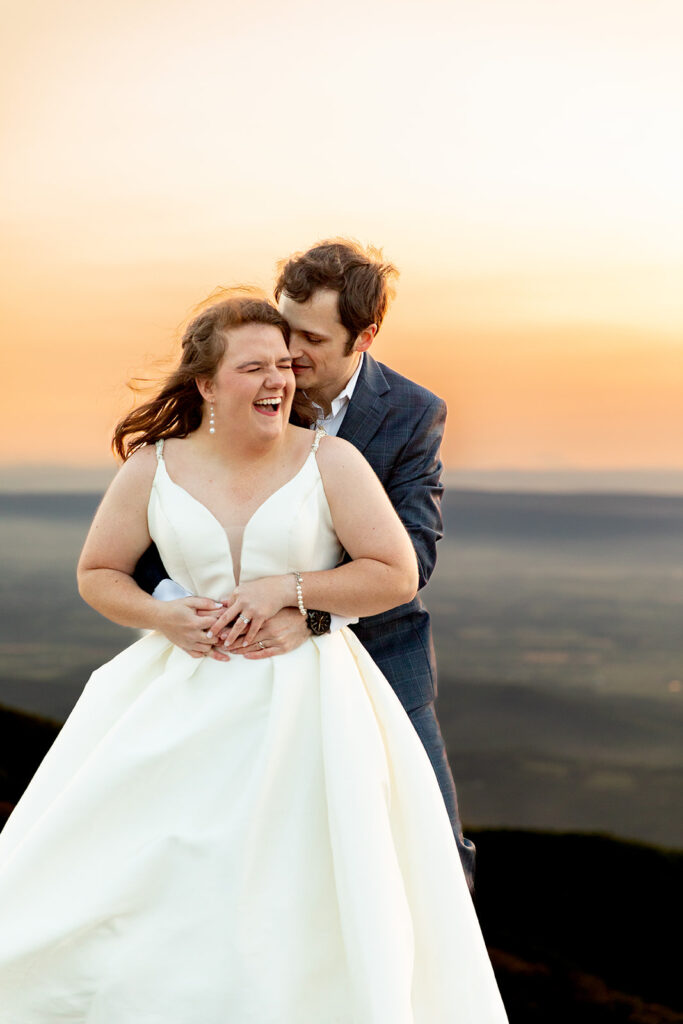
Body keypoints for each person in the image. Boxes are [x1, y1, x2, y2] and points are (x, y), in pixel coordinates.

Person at [0, 293, 507, 1022]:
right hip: (178, 690)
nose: (278, 381)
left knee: (298, 882)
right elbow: (98, 573)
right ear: (206, 383)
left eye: (283, 366)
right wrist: (162, 617)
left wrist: (291, 592)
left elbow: (393, 571)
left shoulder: (330, 460)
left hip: (309, 700)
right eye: (253, 368)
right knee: (150, 873)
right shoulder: (152, 467)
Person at [135, 239, 477, 890]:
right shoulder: (244, 383)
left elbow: (413, 554)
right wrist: (191, 611)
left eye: (310, 338)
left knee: (430, 849)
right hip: (232, 653)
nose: (287, 352)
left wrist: (309, 613)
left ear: (365, 337)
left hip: (380, 647)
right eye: (283, 324)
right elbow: (159, 529)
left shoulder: (410, 413)